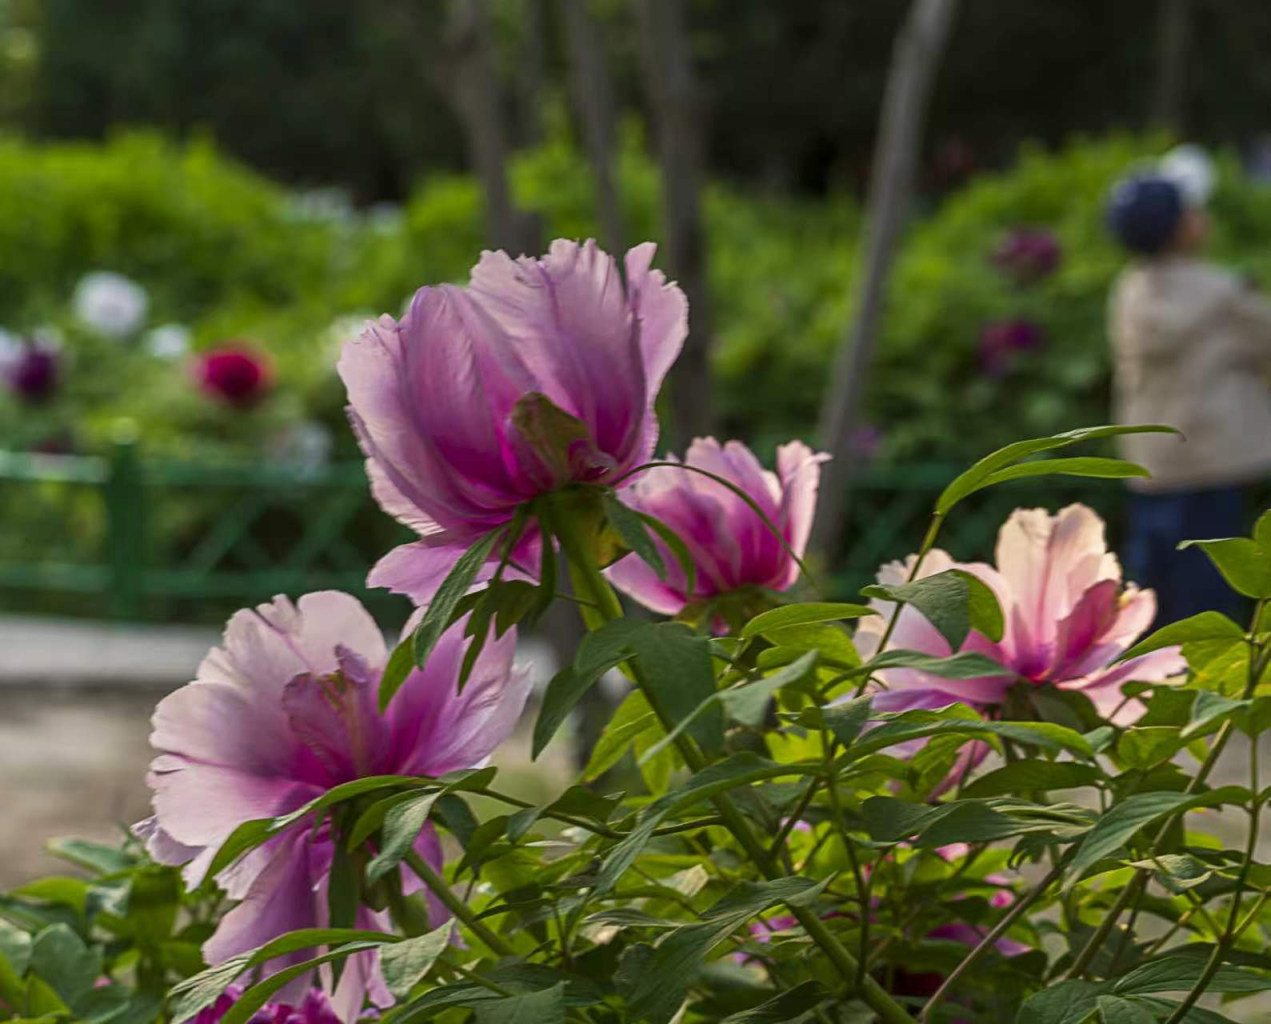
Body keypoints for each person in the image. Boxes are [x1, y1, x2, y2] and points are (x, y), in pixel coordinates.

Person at [1106, 148, 1271, 626]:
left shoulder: (1129, 291)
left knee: (1151, 595)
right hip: (1214, 464)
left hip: (1153, 466)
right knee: (1210, 592)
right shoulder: (1223, 293)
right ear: (1182, 228)